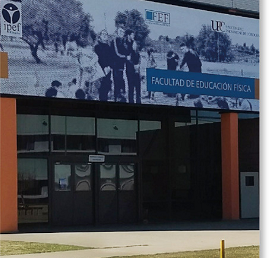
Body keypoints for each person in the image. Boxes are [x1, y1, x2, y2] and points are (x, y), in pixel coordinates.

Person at [94, 30, 113, 102]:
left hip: (108, 69)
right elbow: (99, 58)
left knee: (107, 86)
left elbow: (111, 58)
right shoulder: (97, 47)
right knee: (101, 88)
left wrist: (109, 67)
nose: (105, 35)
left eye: (106, 34)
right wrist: (104, 67)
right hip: (100, 69)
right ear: (100, 36)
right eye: (103, 34)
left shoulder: (108, 47)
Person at [111, 26, 127, 102]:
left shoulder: (124, 41)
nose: (122, 33)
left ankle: (121, 95)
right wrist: (125, 57)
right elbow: (116, 54)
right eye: (120, 32)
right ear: (117, 33)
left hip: (121, 65)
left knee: (121, 80)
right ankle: (116, 97)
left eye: (123, 32)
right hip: (115, 65)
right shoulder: (114, 41)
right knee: (116, 81)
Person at [125, 29, 141, 104]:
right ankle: (131, 102)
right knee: (131, 86)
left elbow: (139, 56)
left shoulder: (135, 44)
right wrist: (133, 65)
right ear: (128, 35)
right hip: (130, 69)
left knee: (138, 86)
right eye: (132, 34)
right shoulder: (126, 44)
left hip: (137, 69)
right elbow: (128, 58)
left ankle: (138, 102)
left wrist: (138, 65)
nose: (133, 36)